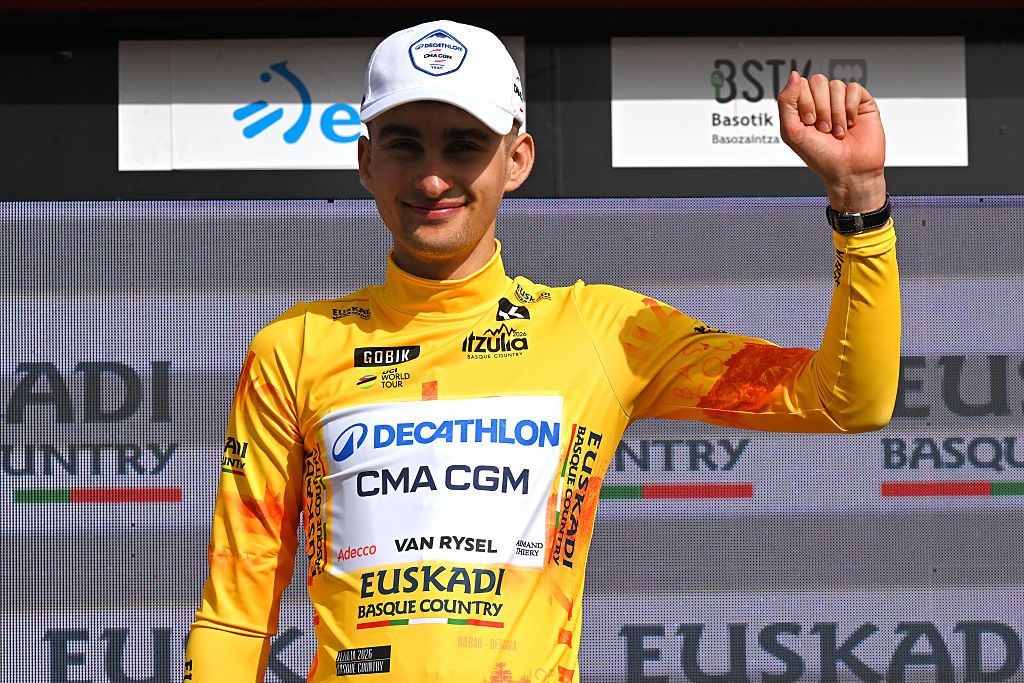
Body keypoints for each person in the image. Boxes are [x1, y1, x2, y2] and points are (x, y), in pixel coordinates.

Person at [184, 19, 899, 682]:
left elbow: (845, 398)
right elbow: (235, 616)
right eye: (406, 143)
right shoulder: (296, 346)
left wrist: (860, 197)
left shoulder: (601, 329)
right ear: (367, 161)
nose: (432, 177)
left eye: (464, 144)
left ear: (516, 159)